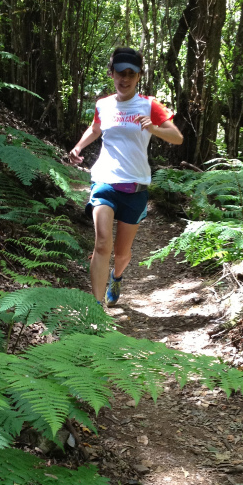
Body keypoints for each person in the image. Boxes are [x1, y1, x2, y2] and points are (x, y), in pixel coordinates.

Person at [68, 47, 183, 306]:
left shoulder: (149, 105)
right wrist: (78, 147)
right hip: (105, 181)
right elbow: (96, 128)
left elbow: (177, 137)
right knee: (102, 244)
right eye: (120, 73)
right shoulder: (103, 105)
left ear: (139, 76)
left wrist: (153, 127)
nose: (125, 78)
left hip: (136, 187)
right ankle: (96, 308)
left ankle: (117, 277)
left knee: (121, 254)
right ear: (112, 74)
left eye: (131, 73)